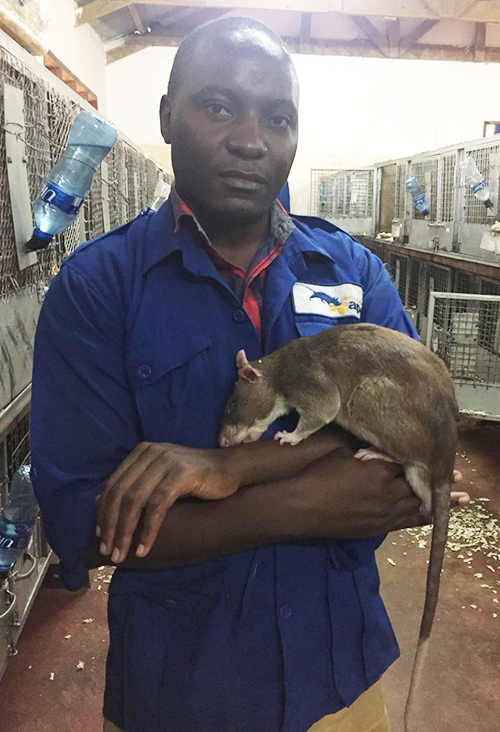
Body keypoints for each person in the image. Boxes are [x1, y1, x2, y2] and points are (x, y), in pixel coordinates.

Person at [30, 16, 468, 732]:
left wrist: (228, 471)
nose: (251, 140)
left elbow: (415, 461)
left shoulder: (352, 271)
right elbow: (88, 525)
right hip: (182, 693)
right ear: (168, 117)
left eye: (278, 117)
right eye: (220, 107)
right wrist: (312, 501)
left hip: (341, 680)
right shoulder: (99, 290)